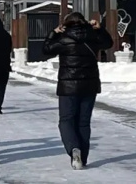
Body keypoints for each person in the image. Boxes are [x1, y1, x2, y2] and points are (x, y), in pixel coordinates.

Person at [43, 12, 114, 170]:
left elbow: (46, 49)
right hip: (89, 86)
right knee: (83, 122)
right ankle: (84, 157)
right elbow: (108, 43)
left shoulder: (64, 39)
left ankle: (74, 149)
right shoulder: (93, 36)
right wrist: (100, 28)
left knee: (66, 120)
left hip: (68, 87)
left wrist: (54, 32)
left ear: (66, 24)